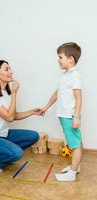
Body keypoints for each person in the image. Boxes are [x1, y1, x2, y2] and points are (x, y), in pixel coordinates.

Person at [0, 60, 40, 173]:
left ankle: (5, 154)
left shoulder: (6, 93)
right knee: (17, 153)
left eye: (10, 68)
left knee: (34, 136)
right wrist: (14, 93)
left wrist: (32, 112)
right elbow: (9, 118)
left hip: (4, 134)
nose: (11, 72)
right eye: (6, 69)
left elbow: (13, 115)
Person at [40, 42, 82, 181]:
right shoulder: (65, 75)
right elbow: (57, 93)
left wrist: (76, 117)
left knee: (74, 145)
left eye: (60, 57)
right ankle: (76, 166)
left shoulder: (74, 75)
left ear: (70, 59)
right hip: (64, 115)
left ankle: (72, 174)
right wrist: (46, 107)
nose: (58, 60)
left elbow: (78, 97)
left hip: (69, 115)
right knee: (76, 142)